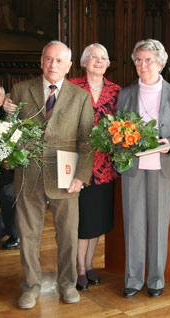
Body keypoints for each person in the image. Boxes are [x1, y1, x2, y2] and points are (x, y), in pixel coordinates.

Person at [3, 40, 94, 309]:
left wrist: (82, 175)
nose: (53, 64)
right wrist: (7, 118)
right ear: (41, 61)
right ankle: (31, 286)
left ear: (68, 65)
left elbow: (87, 140)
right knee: (28, 235)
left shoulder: (81, 96)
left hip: (66, 177)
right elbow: (9, 132)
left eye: (59, 60)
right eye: (48, 59)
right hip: (28, 175)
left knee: (67, 235)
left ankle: (66, 283)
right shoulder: (20, 90)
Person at [117, 39, 170, 298]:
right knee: (133, 224)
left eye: (148, 60)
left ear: (160, 63)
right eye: (138, 60)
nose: (142, 64)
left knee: (159, 224)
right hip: (133, 168)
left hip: (163, 167)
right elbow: (115, 132)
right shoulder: (125, 95)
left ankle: (156, 279)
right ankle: (133, 279)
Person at [67, 43, 121, 290]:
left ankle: (89, 266)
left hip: (106, 166)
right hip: (79, 165)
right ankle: (78, 268)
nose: (99, 61)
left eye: (103, 58)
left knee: (97, 221)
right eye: (93, 57)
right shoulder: (71, 88)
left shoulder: (117, 91)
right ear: (83, 61)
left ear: (108, 64)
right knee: (82, 221)